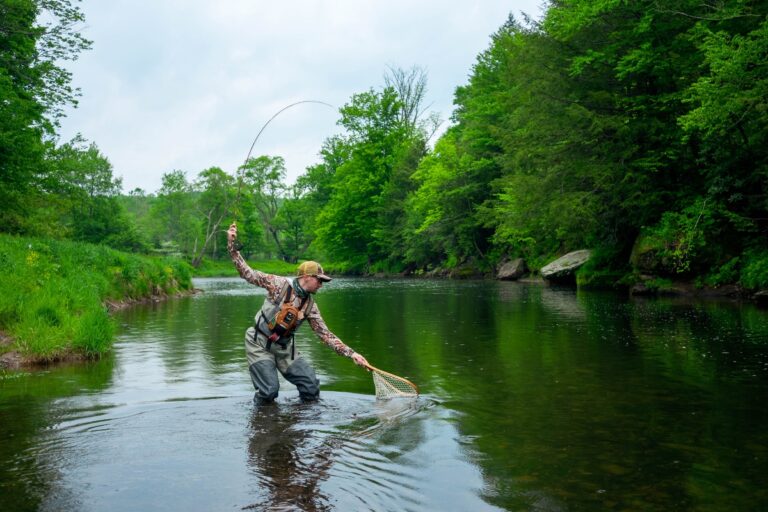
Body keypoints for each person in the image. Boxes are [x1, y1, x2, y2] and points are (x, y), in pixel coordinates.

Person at [227, 222, 368, 403]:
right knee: (269, 391)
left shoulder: (311, 306)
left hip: (285, 348)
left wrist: (352, 354)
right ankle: (262, 423)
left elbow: (325, 335)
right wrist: (232, 247)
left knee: (311, 387)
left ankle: (300, 423)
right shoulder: (278, 284)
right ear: (307, 277)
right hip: (258, 343)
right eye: (320, 280)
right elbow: (248, 274)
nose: (321, 284)